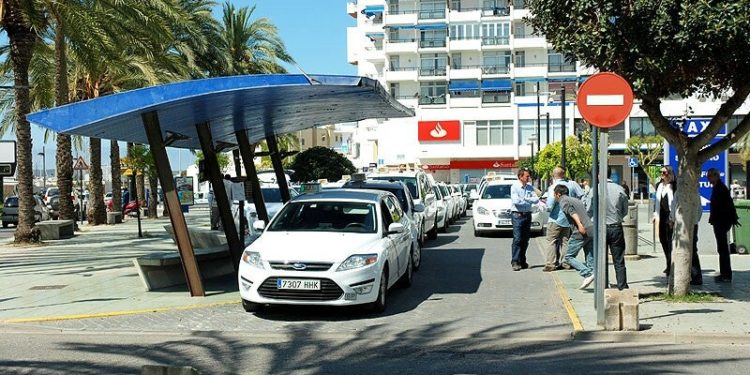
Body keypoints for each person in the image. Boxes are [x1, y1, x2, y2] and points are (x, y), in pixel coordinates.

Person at [543, 166, 583, 272]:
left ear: (553, 175)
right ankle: (566, 262)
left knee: (552, 241)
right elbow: (581, 196)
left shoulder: (553, 187)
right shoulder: (573, 184)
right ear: (564, 174)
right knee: (566, 241)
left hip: (555, 218)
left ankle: (550, 264)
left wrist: (544, 206)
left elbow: (550, 205)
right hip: (568, 218)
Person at [556, 184, 595, 289]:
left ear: (558, 194)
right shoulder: (576, 200)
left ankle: (586, 274)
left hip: (580, 230)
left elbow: (572, 212)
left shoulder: (563, 200)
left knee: (568, 257)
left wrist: (579, 225)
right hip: (591, 228)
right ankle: (598, 278)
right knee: (590, 256)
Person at [707, 168, 739, 283]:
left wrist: (728, 220)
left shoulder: (721, 188)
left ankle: (726, 274)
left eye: (710, 176)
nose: (708, 178)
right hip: (719, 221)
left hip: (722, 222)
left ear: (716, 176)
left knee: (723, 248)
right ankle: (724, 273)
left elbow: (726, 206)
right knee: (722, 248)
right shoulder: (717, 188)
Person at [671, 189, 703, 285]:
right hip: (691, 223)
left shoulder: (680, 193)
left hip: (684, 224)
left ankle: (695, 275)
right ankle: (694, 275)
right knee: (692, 249)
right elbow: (699, 211)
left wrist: (673, 220)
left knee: (689, 250)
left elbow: (674, 208)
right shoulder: (695, 193)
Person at [510, 168, 539, 271]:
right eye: (527, 176)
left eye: (529, 176)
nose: (528, 178)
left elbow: (536, 199)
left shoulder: (530, 187)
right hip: (518, 215)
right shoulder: (515, 187)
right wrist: (529, 201)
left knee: (525, 239)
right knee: (518, 239)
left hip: (527, 215)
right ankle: (515, 261)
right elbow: (516, 202)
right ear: (520, 177)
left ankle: (522, 260)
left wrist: (526, 199)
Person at [605, 179, 630, 290]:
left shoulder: (594, 190)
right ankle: (622, 285)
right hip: (616, 226)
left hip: (601, 228)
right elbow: (625, 210)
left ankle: (603, 284)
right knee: (619, 259)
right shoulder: (620, 189)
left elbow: (589, 209)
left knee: (601, 259)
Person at [653, 166, 676, 276]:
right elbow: (656, 201)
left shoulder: (674, 186)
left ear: (669, 174)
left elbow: (675, 203)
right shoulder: (659, 186)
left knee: (670, 241)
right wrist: (655, 214)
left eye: (664, 172)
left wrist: (673, 219)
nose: (662, 174)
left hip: (670, 216)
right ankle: (668, 263)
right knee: (663, 240)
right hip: (661, 216)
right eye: (661, 172)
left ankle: (671, 265)